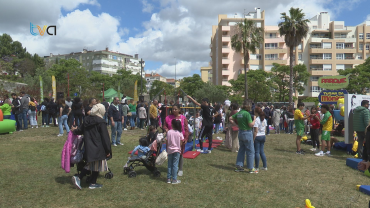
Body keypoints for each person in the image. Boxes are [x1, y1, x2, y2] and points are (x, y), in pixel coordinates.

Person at [71, 104, 112, 190]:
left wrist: (74, 131)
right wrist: (108, 150)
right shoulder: (101, 121)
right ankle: (79, 177)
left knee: (96, 165)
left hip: (89, 146)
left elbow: (79, 130)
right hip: (99, 146)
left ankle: (93, 183)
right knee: (92, 165)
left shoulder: (86, 119)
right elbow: (105, 137)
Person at [229, 104, 257, 173]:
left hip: (240, 132)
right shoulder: (247, 114)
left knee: (241, 149)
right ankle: (251, 167)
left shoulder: (239, 113)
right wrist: (254, 120)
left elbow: (230, 118)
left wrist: (236, 125)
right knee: (250, 150)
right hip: (247, 132)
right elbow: (251, 125)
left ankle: (239, 165)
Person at [163, 104, 189, 177]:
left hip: (180, 138)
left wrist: (186, 138)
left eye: (175, 109)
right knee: (171, 154)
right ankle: (171, 169)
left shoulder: (183, 118)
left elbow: (186, 129)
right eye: (173, 109)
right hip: (171, 138)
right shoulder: (168, 117)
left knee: (180, 153)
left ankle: (180, 169)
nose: (174, 110)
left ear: (179, 110)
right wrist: (166, 129)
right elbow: (164, 126)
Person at [166, 119, 184, 184]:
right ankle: (174, 179)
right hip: (177, 150)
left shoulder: (169, 132)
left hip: (170, 150)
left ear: (172, 124)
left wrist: (168, 148)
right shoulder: (180, 133)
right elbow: (181, 142)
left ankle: (168, 178)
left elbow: (167, 141)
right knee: (175, 165)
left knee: (169, 164)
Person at [253, 107, 267, 172]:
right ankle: (265, 166)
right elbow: (265, 130)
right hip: (263, 136)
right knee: (262, 152)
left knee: (257, 152)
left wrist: (253, 138)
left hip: (258, 136)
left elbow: (255, 130)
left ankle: (257, 167)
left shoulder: (257, 120)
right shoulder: (265, 120)